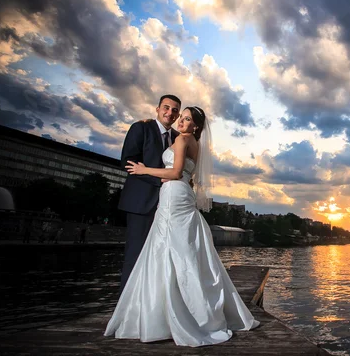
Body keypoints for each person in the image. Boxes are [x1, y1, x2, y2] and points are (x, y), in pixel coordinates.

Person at [104, 106, 259, 346]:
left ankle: (163, 313)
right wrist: (171, 176)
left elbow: (175, 172)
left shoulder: (183, 138)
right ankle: (185, 309)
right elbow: (186, 174)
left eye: (187, 119)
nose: (181, 121)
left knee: (167, 248)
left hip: (174, 195)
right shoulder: (196, 144)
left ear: (195, 126)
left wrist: (144, 169)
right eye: (181, 117)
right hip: (182, 194)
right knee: (181, 249)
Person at [117, 95, 181, 291]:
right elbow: (128, 162)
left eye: (174, 110)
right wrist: (158, 179)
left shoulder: (178, 138)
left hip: (167, 205)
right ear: (157, 108)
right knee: (135, 256)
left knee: (161, 258)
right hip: (141, 203)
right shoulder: (141, 128)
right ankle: (125, 311)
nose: (170, 113)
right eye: (166, 107)